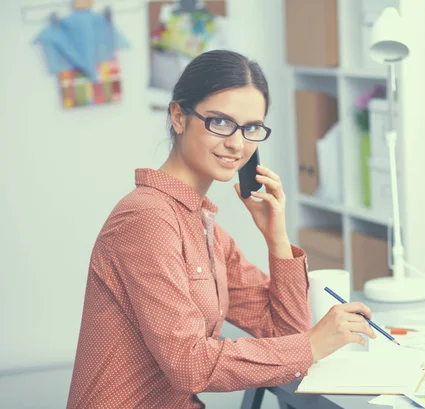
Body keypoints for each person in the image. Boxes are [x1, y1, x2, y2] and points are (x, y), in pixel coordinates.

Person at [66, 50, 376, 409]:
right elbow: (190, 366)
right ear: (178, 116)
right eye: (220, 122)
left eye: (251, 128)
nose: (237, 143)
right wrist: (312, 344)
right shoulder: (146, 219)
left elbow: (285, 334)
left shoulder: (202, 225)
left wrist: (276, 238)